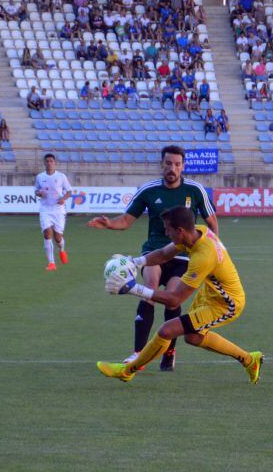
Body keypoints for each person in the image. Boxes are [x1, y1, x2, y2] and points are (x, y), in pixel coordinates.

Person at [88, 145, 219, 372]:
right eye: (168, 163)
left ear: (183, 166)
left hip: (183, 256)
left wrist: (212, 252)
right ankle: (138, 354)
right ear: (161, 164)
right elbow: (126, 220)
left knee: (173, 300)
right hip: (154, 253)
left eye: (177, 164)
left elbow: (212, 224)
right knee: (149, 288)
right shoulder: (149, 190)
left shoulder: (195, 190)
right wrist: (109, 223)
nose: (172, 168)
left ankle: (169, 352)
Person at [98, 206, 263, 384]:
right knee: (193, 337)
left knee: (167, 330)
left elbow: (174, 299)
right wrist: (135, 262)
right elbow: (163, 254)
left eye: (167, 229)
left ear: (180, 231)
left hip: (226, 304)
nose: (166, 233)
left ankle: (127, 371)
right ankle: (249, 360)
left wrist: (132, 288)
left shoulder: (204, 256)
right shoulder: (197, 232)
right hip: (210, 294)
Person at [34, 154, 72, 271]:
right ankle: (51, 263)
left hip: (58, 210)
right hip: (45, 209)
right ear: (44, 163)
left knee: (58, 237)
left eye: (51, 161)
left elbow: (69, 191)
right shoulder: (40, 176)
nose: (49, 163)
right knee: (47, 233)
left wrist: (63, 199)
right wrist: (39, 193)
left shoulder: (61, 176)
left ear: (55, 163)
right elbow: (36, 190)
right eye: (47, 161)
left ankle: (61, 249)